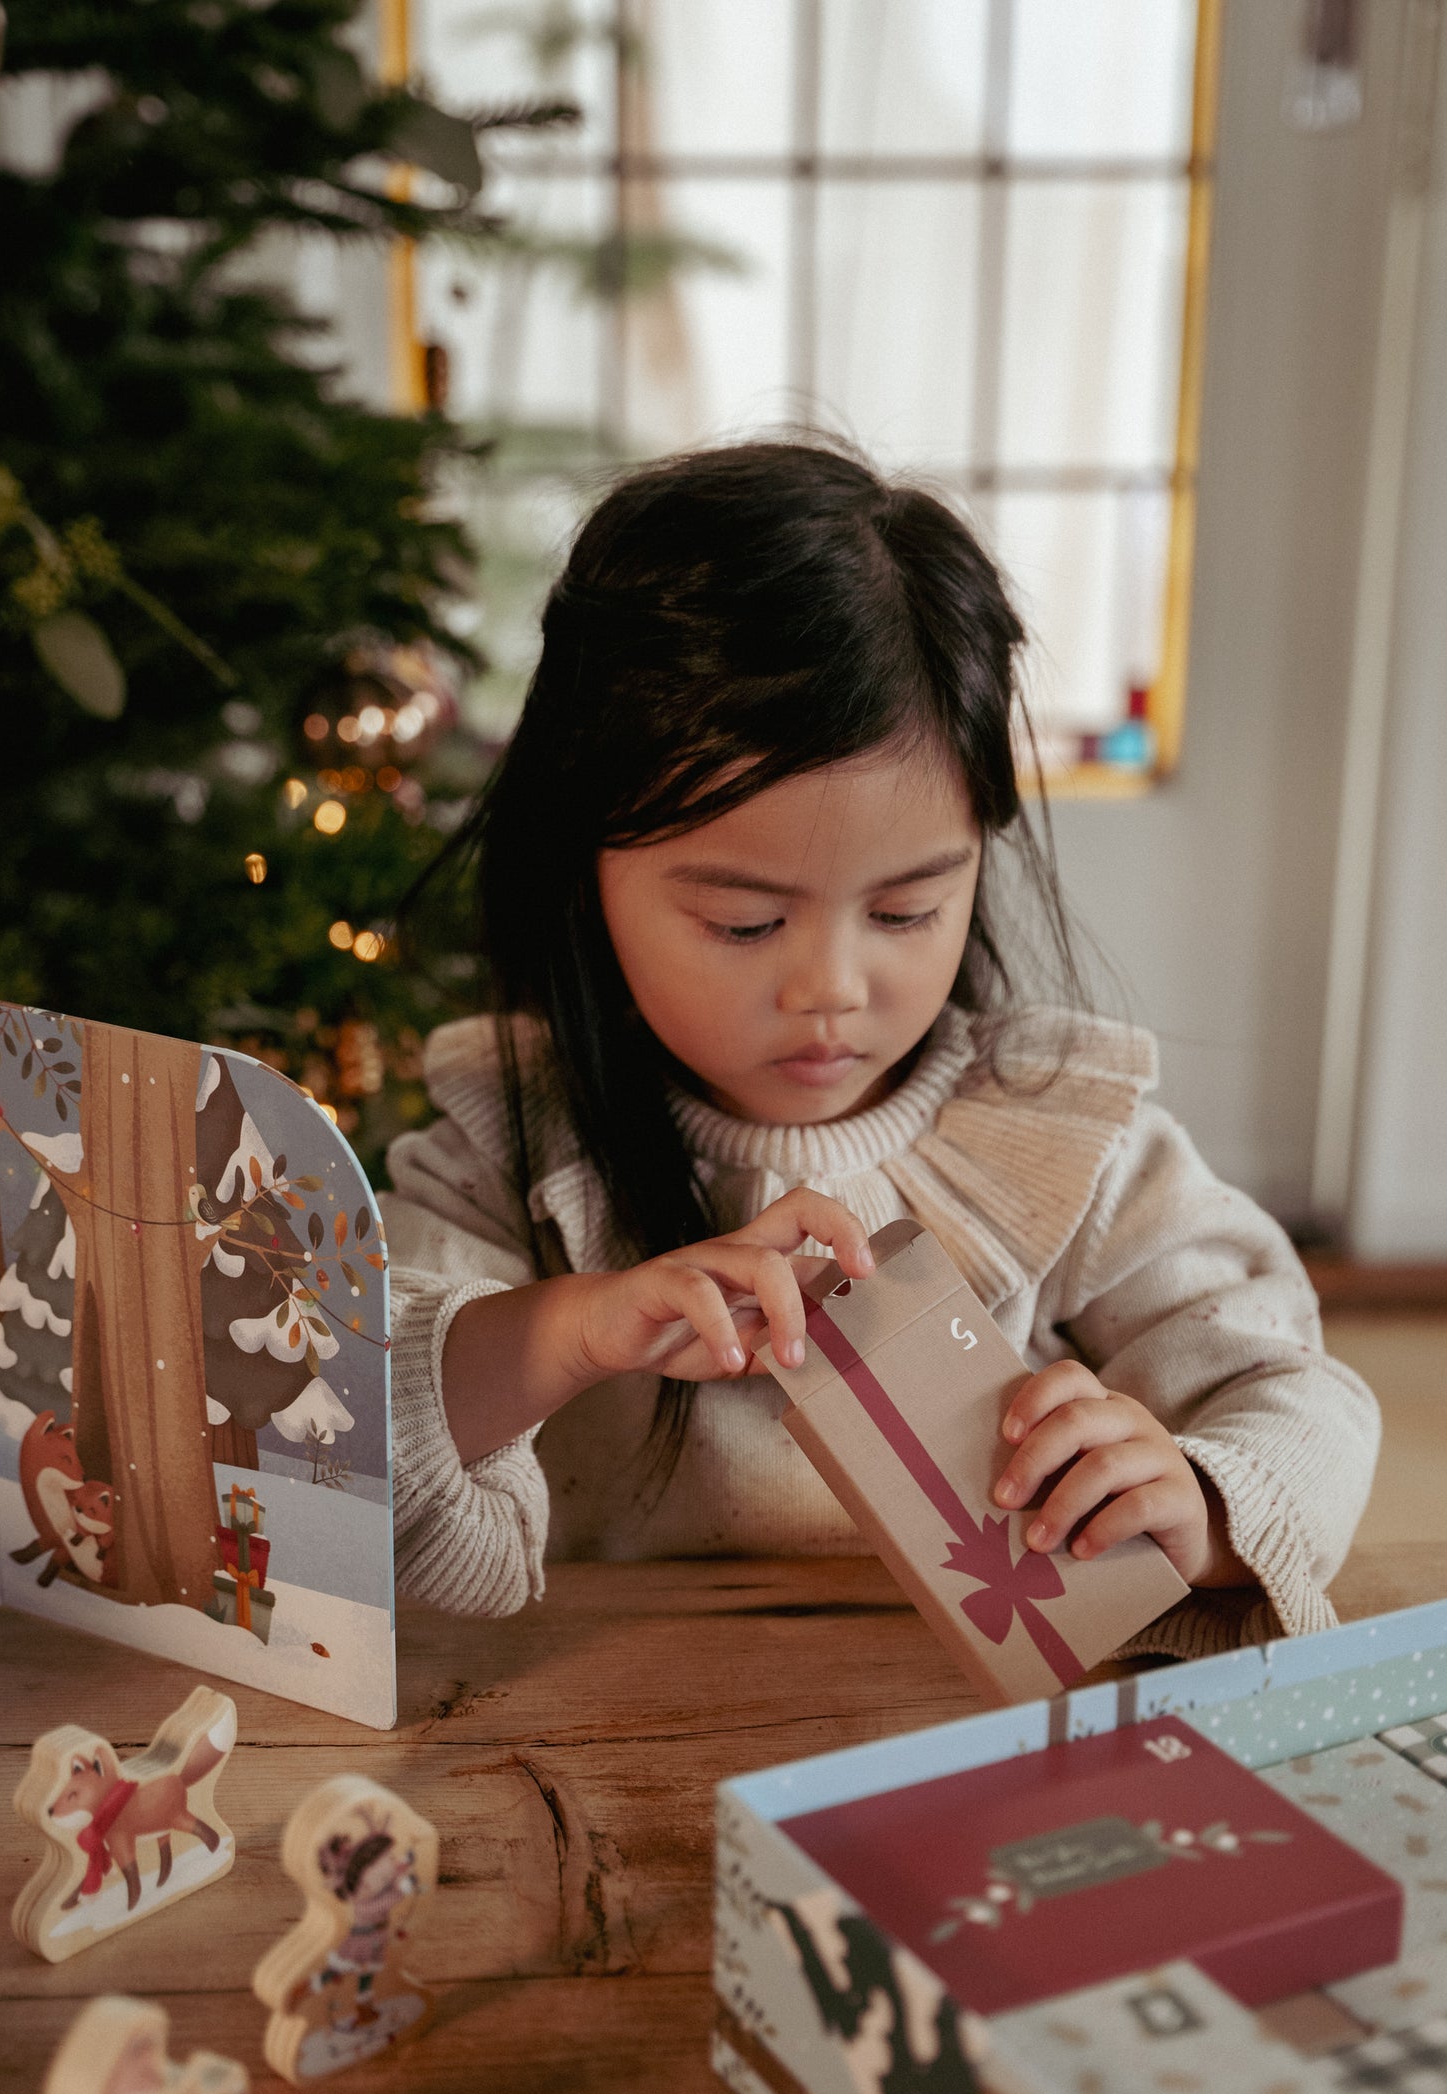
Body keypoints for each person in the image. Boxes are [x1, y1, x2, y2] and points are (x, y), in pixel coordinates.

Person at [383, 442, 1378, 1656]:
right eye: (744, 922)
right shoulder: (515, 1136)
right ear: (586, 866)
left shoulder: (1056, 1134)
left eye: (907, 910)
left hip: (952, 1738)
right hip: (595, 1725)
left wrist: (1198, 1498)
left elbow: (1296, 1394)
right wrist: (572, 1330)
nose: (833, 989)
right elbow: (348, 1426)